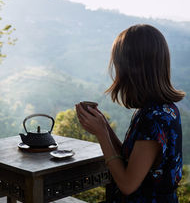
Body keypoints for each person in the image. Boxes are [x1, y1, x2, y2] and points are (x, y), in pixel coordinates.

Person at [75, 24, 185, 203]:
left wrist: (102, 135)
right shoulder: (162, 109)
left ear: (132, 68)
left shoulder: (154, 119)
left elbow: (127, 184)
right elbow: (129, 161)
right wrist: (104, 126)